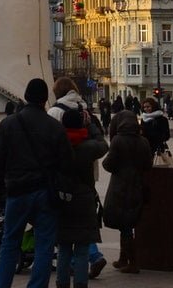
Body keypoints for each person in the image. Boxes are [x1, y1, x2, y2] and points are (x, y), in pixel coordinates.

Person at [0, 77, 73, 288]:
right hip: (45, 192)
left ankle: (2, 285)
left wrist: (9, 173)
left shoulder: (9, 124)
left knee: (10, 242)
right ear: (45, 99)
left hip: (17, 191)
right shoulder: (54, 127)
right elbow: (67, 162)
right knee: (44, 245)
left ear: (26, 97)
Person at [48, 76, 107, 279]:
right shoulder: (86, 111)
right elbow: (102, 144)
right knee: (82, 231)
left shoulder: (54, 112)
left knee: (64, 241)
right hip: (86, 179)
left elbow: (47, 144)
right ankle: (91, 258)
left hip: (62, 184)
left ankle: (65, 277)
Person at [56, 108, 108, 288]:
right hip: (84, 199)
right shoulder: (88, 147)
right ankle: (80, 283)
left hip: (62, 199)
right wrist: (91, 125)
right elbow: (104, 144)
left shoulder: (57, 146)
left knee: (63, 247)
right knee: (82, 248)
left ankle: (62, 283)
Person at [102, 109, 152, 275]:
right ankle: (123, 258)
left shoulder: (118, 140)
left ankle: (133, 262)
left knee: (124, 225)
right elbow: (148, 164)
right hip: (137, 185)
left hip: (120, 187)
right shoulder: (143, 141)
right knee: (128, 222)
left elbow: (108, 165)